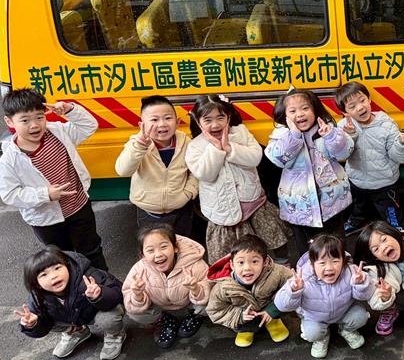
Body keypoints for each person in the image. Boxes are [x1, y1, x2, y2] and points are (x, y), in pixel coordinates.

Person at [0, 88, 109, 271]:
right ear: (9, 121)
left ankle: (104, 286)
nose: (34, 125)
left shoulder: (58, 132)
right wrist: (45, 194)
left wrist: (70, 110)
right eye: (25, 120)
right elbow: (9, 194)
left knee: (92, 251)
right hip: (46, 220)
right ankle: (73, 288)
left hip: (79, 207)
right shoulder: (10, 159)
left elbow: (89, 126)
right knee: (61, 259)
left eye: (39, 117)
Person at [185, 94, 290, 263]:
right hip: (222, 212)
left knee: (275, 242)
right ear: (198, 121)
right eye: (208, 120)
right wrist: (217, 149)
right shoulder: (195, 145)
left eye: (220, 117)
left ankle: (282, 267)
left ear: (228, 116)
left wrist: (229, 148)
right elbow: (206, 174)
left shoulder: (240, 132)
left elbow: (255, 157)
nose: (215, 124)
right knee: (231, 256)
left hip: (254, 204)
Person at [266, 88, 354, 255]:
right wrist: (294, 136)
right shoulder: (281, 135)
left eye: (305, 108)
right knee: (306, 252)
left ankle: (343, 268)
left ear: (315, 109)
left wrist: (331, 137)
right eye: (292, 111)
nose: (300, 114)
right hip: (299, 207)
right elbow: (278, 159)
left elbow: (344, 153)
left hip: (332, 204)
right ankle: (307, 271)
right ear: (284, 116)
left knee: (337, 246)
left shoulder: (326, 130)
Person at [15, 246, 126, 360]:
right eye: (44, 275)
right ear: (36, 283)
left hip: (97, 311)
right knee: (42, 318)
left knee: (108, 319)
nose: (53, 276)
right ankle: (77, 331)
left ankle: (115, 335)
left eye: (57, 268)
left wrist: (99, 294)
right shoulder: (38, 297)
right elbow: (43, 328)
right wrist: (32, 325)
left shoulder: (87, 277)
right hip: (73, 318)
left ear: (67, 266)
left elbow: (118, 293)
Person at [273, 234, 374, 358]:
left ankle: (346, 330)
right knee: (312, 333)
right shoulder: (302, 279)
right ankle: (322, 338)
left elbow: (366, 295)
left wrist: (361, 284)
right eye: (322, 263)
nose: (329, 268)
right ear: (312, 264)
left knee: (361, 316)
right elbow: (281, 305)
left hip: (343, 312)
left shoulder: (351, 272)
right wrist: (293, 291)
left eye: (335, 261)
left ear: (343, 261)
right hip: (315, 317)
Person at [114, 94, 199, 237]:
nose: (162, 124)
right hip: (148, 212)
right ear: (142, 125)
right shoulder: (136, 145)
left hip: (181, 210)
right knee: (155, 246)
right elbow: (123, 170)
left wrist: (189, 192)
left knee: (182, 244)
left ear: (177, 122)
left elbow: (196, 171)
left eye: (168, 118)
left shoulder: (187, 143)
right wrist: (140, 145)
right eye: (154, 119)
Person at [335, 81, 404, 232]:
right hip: (356, 181)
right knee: (358, 207)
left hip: (384, 183)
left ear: (369, 99)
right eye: (352, 106)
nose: (360, 107)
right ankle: (356, 221)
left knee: (392, 216)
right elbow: (341, 155)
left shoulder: (386, 124)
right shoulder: (343, 126)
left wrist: (403, 144)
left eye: (362, 100)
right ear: (345, 112)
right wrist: (351, 136)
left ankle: (398, 231)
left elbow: (399, 157)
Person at [122, 224, 211, 349]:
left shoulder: (194, 264)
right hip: (159, 304)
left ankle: (197, 315)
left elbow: (210, 286)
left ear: (175, 248)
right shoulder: (139, 271)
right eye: (150, 250)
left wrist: (195, 288)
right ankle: (165, 319)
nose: (158, 254)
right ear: (143, 255)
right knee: (134, 311)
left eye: (163, 247)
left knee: (214, 299)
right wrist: (137, 294)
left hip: (189, 302)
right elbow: (129, 300)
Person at [206, 235, 293, 347]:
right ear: (232, 265)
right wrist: (240, 316)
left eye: (254, 261)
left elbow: (290, 287)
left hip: (270, 312)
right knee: (243, 324)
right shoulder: (223, 287)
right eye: (241, 262)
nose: (247, 268)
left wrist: (273, 309)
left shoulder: (278, 273)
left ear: (265, 262)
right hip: (244, 319)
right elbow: (215, 310)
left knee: (285, 296)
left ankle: (273, 322)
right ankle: (246, 330)